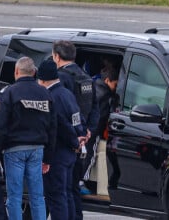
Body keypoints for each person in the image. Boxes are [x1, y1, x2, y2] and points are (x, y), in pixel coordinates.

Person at [0, 56, 56, 220]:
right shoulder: (45, 93)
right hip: (37, 150)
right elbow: (53, 127)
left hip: (14, 150)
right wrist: (48, 158)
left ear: (16, 71)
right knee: (37, 197)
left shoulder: (9, 93)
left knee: (14, 196)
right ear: (34, 72)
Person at [52, 40, 99, 217]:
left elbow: (63, 110)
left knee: (63, 190)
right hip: (83, 141)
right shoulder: (86, 76)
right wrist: (87, 132)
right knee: (73, 188)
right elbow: (95, 108)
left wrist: (75, 135)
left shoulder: (61, 78)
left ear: (56, 56)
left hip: (67, 142)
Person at [37, 58, 85, 220]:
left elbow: (61, 125)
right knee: (67, 194)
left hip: (58, 152)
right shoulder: (67, 93)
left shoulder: (51, 96)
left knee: (56, 197)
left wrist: (74, 140)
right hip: (71, 154)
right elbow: (77, 118)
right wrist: (80, 136)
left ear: (42, 79)